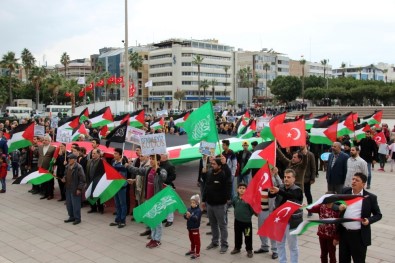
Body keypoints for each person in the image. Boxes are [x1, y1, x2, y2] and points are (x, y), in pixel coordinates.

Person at [336, 172, 382, 263]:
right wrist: (338, 207)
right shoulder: (345, 191)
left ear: (363, 184)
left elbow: (378, 215)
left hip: (359, 236)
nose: (353, 181)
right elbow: (334, 204)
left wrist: (369, 220)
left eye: (357, 180)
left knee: (359, 260)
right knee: (343, 260)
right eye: (353, 179)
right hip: (344, 233)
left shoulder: (370, 197)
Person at [127, 154, 167, 249]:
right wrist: (128, 166)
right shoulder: (148, 169)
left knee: (157, 221)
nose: (151, 160)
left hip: (156, 199)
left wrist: (159, 172)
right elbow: (137, 170)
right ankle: (153, 238)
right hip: (148, 199)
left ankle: (157, 240)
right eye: (151, 159)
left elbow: (164, 177)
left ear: (158, 161)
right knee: (151, 220)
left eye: (153, 159)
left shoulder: (161, 170)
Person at [269, 169, 303, 263]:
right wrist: (271, 190)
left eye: (289, 177)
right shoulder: (280, 187)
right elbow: (271, 196)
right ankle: (282, 261)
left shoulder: (297, 190)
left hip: (291, 222)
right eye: (285, 177)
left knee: (293, 246)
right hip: (280, 220)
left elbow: (290, 196)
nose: (286, 179)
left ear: (294, 179)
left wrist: (278, 191)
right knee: (280, 244)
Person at [202, 157, 232, 254]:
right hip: (210, 204)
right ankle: (214, 242)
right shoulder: (210, 173)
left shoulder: (223, 174)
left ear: (219, 166)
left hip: (220, 205)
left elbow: (229, 179)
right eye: (212, 164)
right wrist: (203, 200)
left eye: (214, 164)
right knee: (213, 224)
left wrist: (225, 164)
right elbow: (206, 186)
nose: (212, 165)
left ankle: (224, 244)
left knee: (222, 225)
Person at [307, 193, 346, 263]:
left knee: (332, 255)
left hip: (332, 236)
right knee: (323, 254)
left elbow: (340, 225)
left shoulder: (337, 208)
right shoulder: (321, 206)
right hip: (322, 234)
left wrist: (337, 238)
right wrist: (306, 207)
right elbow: (311, 209)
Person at [255, 166, 282, 259]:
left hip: (272, 209)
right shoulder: (261, 179)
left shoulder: (274, 178)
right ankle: (264, 246)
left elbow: (281, 186)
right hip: (262, 208)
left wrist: (276, 174)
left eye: (270, 170)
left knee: (272, 231)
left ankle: (275, 250)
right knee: (261, 229)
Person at [230, 183, 255, 258]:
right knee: (237, 235)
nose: (241, 189)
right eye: (240, 188)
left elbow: (252, 210)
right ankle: (237, 248)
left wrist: (247, 216)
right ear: (237, 189)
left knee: (248, 236)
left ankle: (249, 249)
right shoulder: (235, 198)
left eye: (243, 188)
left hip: (247, 223)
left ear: (246, 190)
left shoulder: (249, 199)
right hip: (237, 221)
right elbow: (234, 205)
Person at [62, 154, 86, 225]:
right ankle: (71, 216)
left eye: (70, 159)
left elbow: (82, 180)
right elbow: (65, 175)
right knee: (69, 204)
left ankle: (77, 218)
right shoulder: (67, 167)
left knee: (76, 204)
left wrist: (79, 189)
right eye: (68, 158)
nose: (69, 160)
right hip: (68, 188)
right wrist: (64, 178)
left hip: (75, 188)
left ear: (75, 160)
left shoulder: (79, 167)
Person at [109, 148, 128, 228]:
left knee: (122, 204)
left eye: (116, 153)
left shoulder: (123, 163)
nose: (114, 155)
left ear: (120, 155)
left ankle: (123, 221)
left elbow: (122, 175)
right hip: (114, 186)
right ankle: (117, 219)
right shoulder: (113, 163)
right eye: (114, 153)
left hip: (121, 187)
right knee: (117, 204)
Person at [86, 148, 105, 214]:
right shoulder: (89, 161)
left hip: (98, 181)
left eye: (94, 153)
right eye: (92, 153)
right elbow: (87, 171)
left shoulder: (102, 162)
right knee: (90, 195)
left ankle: (100, 208)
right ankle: (93, 208)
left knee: (98, 195)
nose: (92, 154)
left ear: (99, 154)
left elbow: (103, 173)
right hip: (90, 180)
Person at [38, 134, 56, 200]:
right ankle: (45, 193)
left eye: (46, 140)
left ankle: (50, 194)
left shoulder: (53, 148)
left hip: (49, 167)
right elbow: (38, 155)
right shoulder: (40, 147)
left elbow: (54, 158)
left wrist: (53, 166)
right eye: (43, 140)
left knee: (49, 181)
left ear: (49, 141)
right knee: (43, 181)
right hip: (41, 166)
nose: (44, 141)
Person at [184, 194, 202, 260]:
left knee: (197, 241)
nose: (192, 204)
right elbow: (185, 216)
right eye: (191, 202)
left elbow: (196, 219)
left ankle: (197, 253)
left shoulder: (198, 211)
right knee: (191, 240)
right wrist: (186, 216)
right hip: (189, 228)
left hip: (195, 228)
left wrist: (190, 216)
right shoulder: (189, 209)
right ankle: (192, 250)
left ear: (197, 203)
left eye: (193, 202)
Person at [160, 152, 176, 227]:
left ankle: (170, 219)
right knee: (163, 202)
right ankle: (165, 217)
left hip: (167, 185)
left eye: (161, 154)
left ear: (165, 156)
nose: (160, 155)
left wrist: (164, 180)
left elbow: (173, 176)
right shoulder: (160, 164)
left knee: (168, 203)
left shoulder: (170, 165)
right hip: (161, 185)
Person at [300, 145, 316, 217]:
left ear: (306, 145)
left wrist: (312, 178)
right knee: (299, 195)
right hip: (299, 178)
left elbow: (313, 167)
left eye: (302, 144)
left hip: (307, 178)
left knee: (308, 194)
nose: (301, 146)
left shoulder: (310, 154)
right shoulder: (297, 153)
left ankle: (310, 209)